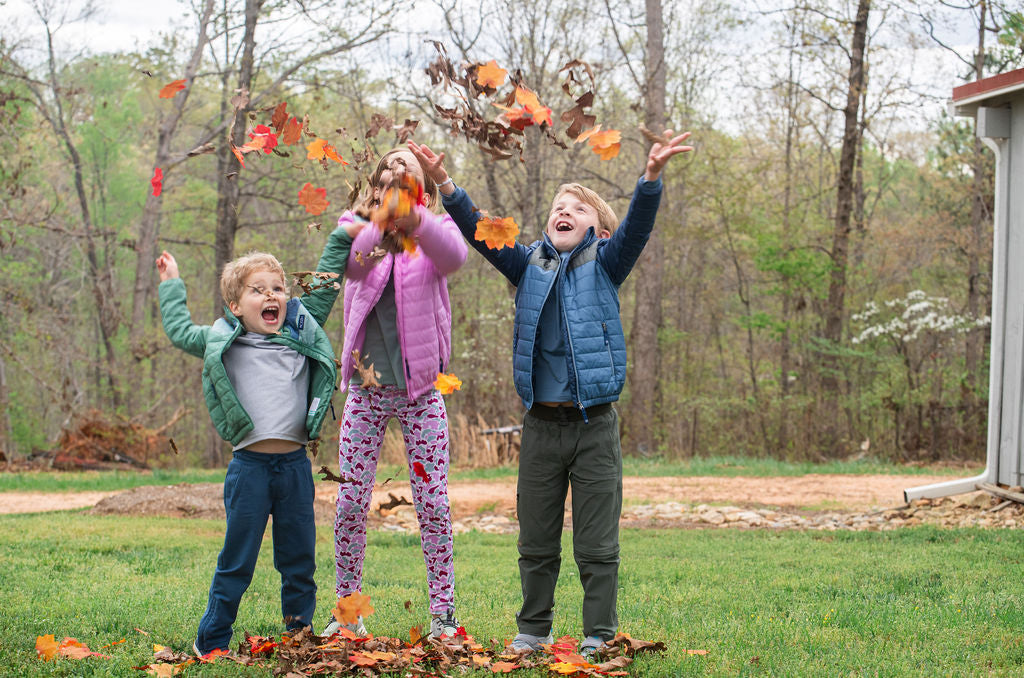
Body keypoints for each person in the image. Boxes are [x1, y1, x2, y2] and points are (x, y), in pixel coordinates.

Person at [409, 131, 693, 659]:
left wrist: (649, 179)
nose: (563, 211)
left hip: (594, 427)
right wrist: (446, 183)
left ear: (598, 228)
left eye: (577, 208)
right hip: (540, 426)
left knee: (596, 543)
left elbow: (637, 229)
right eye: (558, 206)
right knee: (535, 541)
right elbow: (479, 232)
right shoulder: (527, 266)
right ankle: (533, 632)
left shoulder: (606, 264)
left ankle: (598, 635)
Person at [155, 222, 352, 656]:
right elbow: (180, 331)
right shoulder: (224, 339)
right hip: (249, 470)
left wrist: (343, 236)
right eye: (257, 290)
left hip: (295, 468)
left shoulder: (301, 334)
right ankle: (211, 642)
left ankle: (299, 641)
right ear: (234, 305)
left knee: (299, 563)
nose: (270, 296)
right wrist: (172, 284)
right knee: (236, 563)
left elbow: (324, 288)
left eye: (278, 289)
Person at [324, 147, 468, 640]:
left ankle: (444, 616)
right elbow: (355, 267)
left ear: (421, 187)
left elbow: (457, 256)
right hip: (366, 394)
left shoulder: (434, 234)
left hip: (421, 393)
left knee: (432, 502)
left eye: (404, 172)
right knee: (350, 502)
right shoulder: (357, 228)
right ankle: (348, 616)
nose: (392, 177)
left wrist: (417, 220)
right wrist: (379, 223)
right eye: (385, 172)